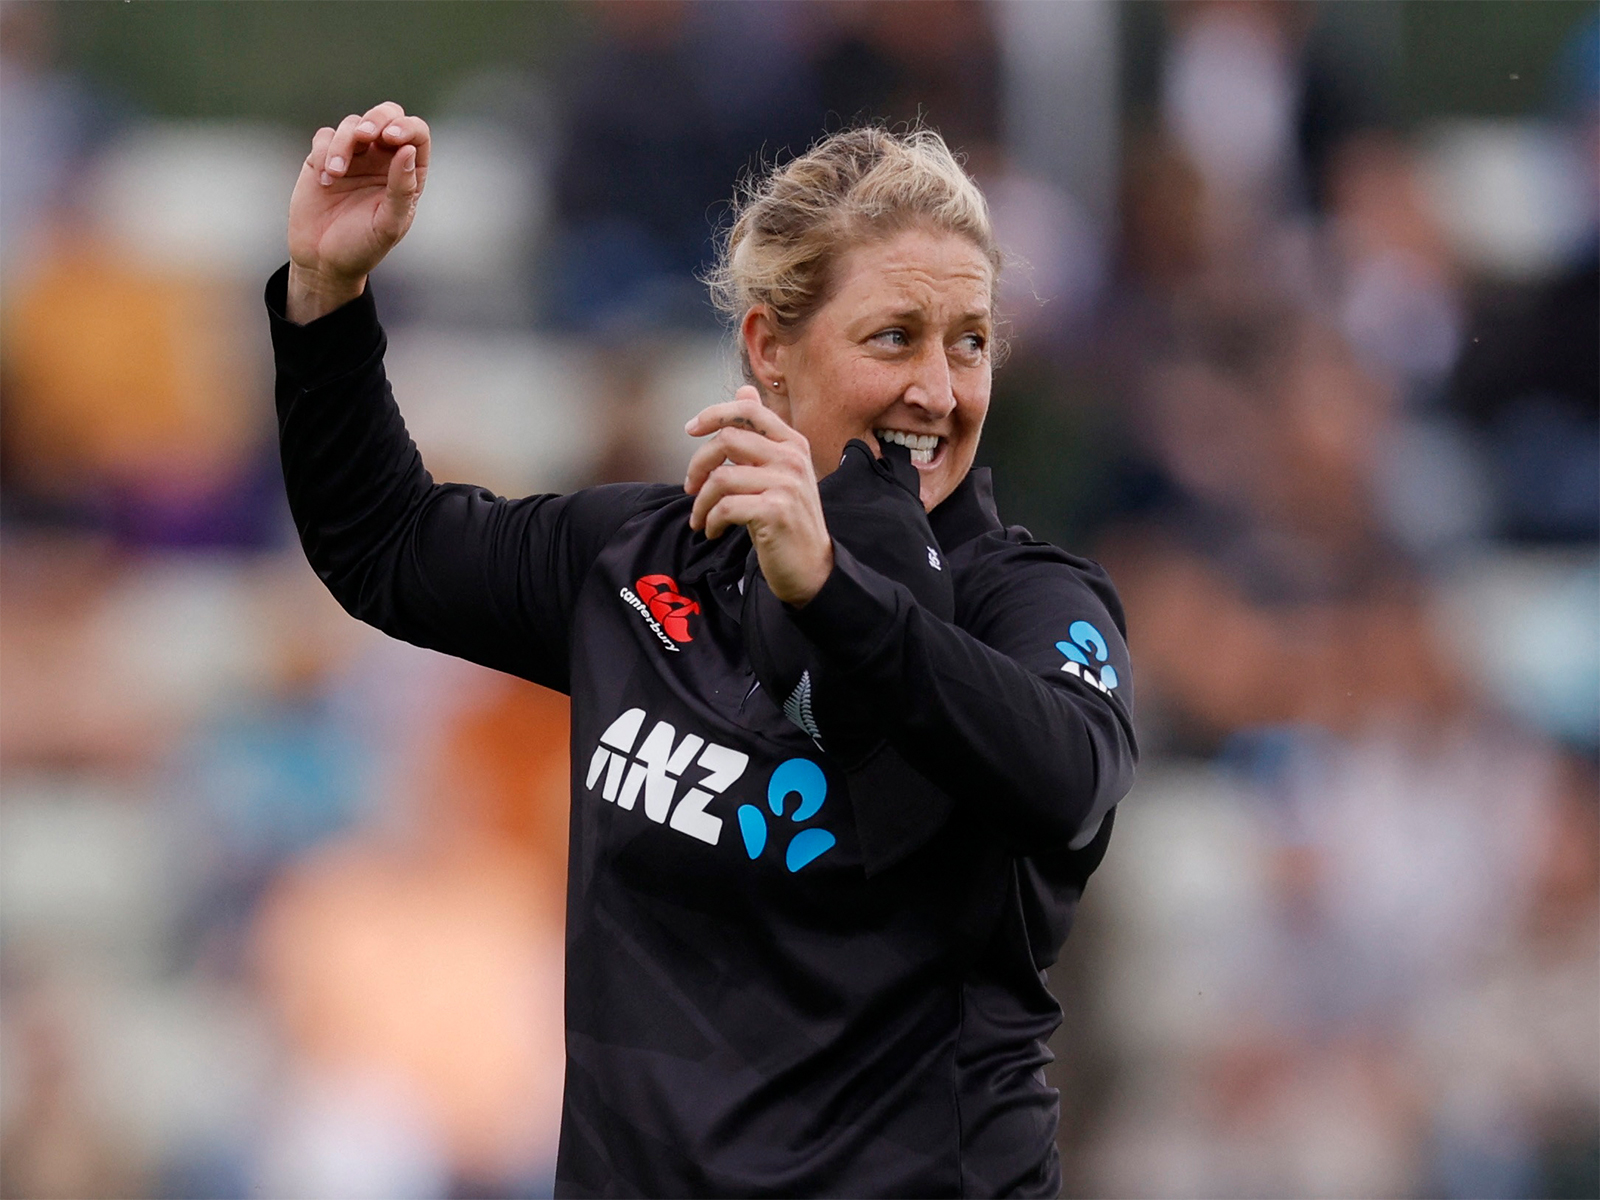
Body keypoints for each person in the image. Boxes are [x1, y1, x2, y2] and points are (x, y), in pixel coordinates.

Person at [270, 100, 1137, 1198]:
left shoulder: (1025, 601)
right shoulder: (643, 564)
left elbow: (1066, 780)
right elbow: (383, 543)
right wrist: (327, 296)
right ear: (769, 347)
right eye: (894, 336)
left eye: (969, 341)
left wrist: (831, 592)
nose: (938, 387)